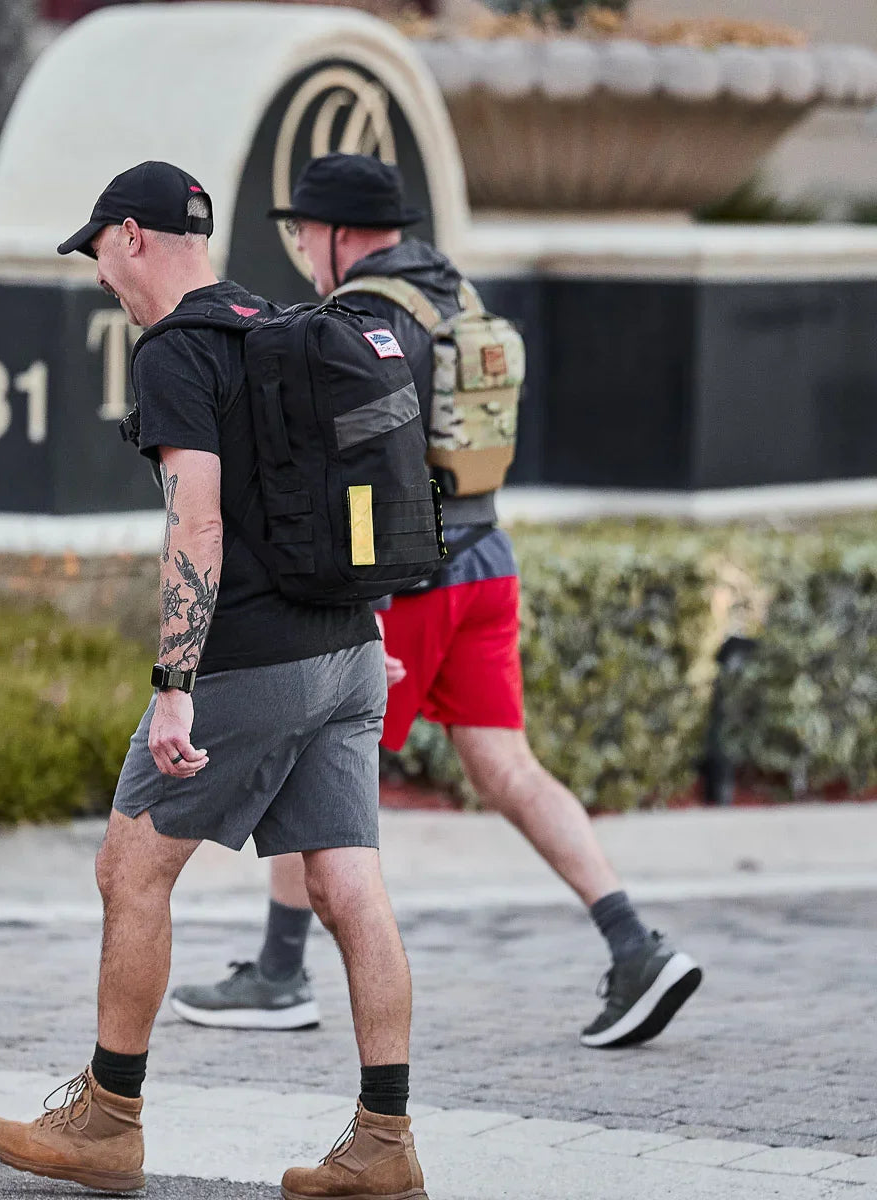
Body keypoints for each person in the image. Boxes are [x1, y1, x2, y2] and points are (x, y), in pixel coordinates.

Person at [169, 153, 702, 1051]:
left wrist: (363, 605)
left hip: (412, 583)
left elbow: (367, 475)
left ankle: (279, 971)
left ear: (340, 236)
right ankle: (633, 943)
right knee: (505, 767)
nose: (301, 252)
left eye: (303, 234)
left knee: (308, 762)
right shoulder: (453, 292)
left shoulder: (372, 317)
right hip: (488, 562)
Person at [0, 162, 430, 1200]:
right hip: (352, 649)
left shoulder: (177, 350)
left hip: (250, 660)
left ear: (132, 236)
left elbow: (198, 521)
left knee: (131, 872)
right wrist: (362, 634)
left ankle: (109, 1117)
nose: (100, 279)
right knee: (348, 882)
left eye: (98, 254)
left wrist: (174, 679)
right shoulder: (279, 327)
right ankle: (384, 1141)